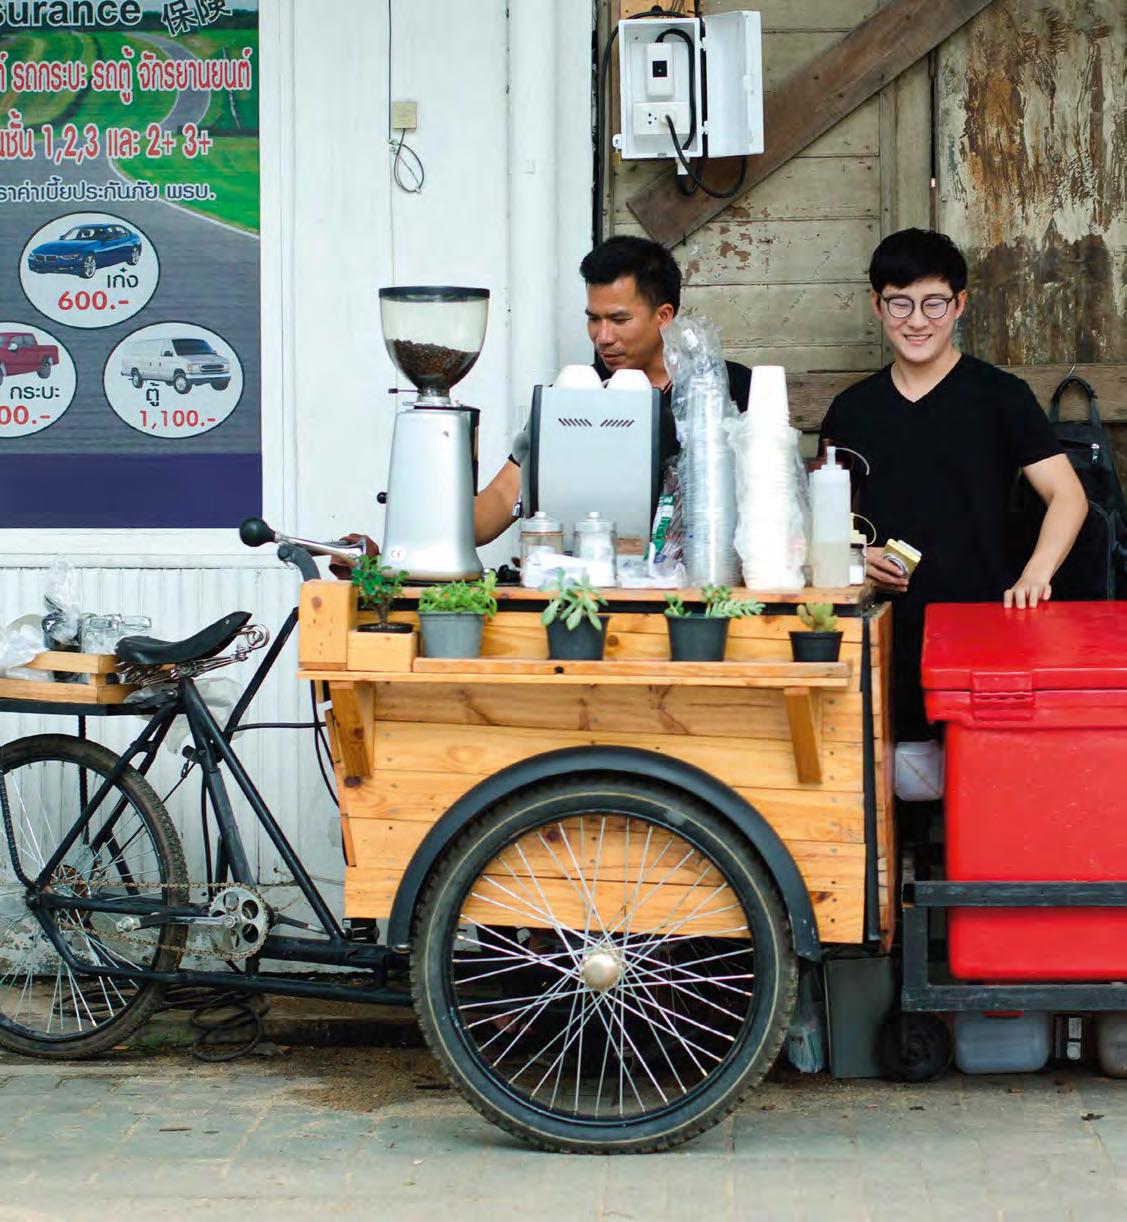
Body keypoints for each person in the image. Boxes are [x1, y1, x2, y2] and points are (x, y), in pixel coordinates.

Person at [819, 228, 1087, 740]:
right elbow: (824, 523)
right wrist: (853, 556)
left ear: (959, 304)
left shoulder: (1000, 397)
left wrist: (1035, 575)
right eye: (900, 304)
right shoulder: (852, 410)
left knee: (981, 771)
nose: (917, 321)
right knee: (889, 772)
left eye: (934, 303)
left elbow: (1067, 496)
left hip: (983, 628)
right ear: (877, 306)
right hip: (884, 630)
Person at [472, 234, 752, 545]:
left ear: (663, 316)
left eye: (619, 319)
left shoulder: (729, 388)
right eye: (594, 319)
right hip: (595, 569)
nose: (603, 337)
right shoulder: (571, 395)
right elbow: (502, 496)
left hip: (706, 568)